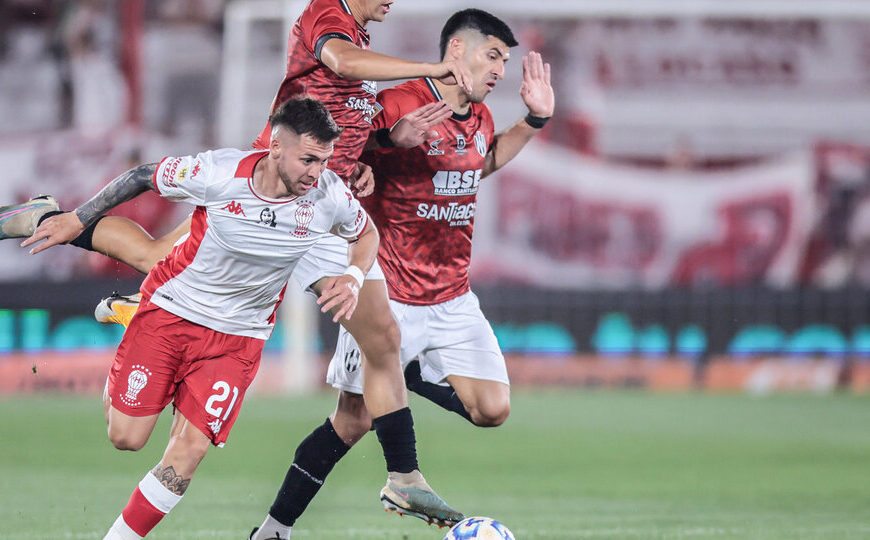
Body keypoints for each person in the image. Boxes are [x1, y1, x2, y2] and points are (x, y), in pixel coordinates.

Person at [0, 0, 466, 528]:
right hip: (271, 194)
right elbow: (342, 63)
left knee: (161, 258)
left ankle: (401, 477)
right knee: (378, 335)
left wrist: (376, 148)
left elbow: (346, 119)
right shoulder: (326, 18)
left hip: (312, 204)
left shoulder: (357, 52)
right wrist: (429, 68)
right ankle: (402, 477)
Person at [246, 9, 554, 538]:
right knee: (351, 423)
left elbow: (480, 162)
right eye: (494, 55)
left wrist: (533, 121)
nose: (502, 69)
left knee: (492, 409)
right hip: (388, 289)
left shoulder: (478, 118)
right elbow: (337, 152)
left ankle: (400, 372)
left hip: (454, 296)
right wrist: (380, 148)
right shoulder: (396, 99)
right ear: (456, 51)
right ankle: (273, 530)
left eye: (505, 59)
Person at [18, 97, 378, 539]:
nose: (315, 172)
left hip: (238, 339)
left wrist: (355, 276)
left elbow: (366, 233)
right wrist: (78, 217)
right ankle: (125, 307)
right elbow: (140, 176)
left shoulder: (327, 195)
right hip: (172, 313)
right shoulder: (219, 172)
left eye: (323, 161)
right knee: (126, 438)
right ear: (276, 147)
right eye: (307, 159)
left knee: (188, 452)